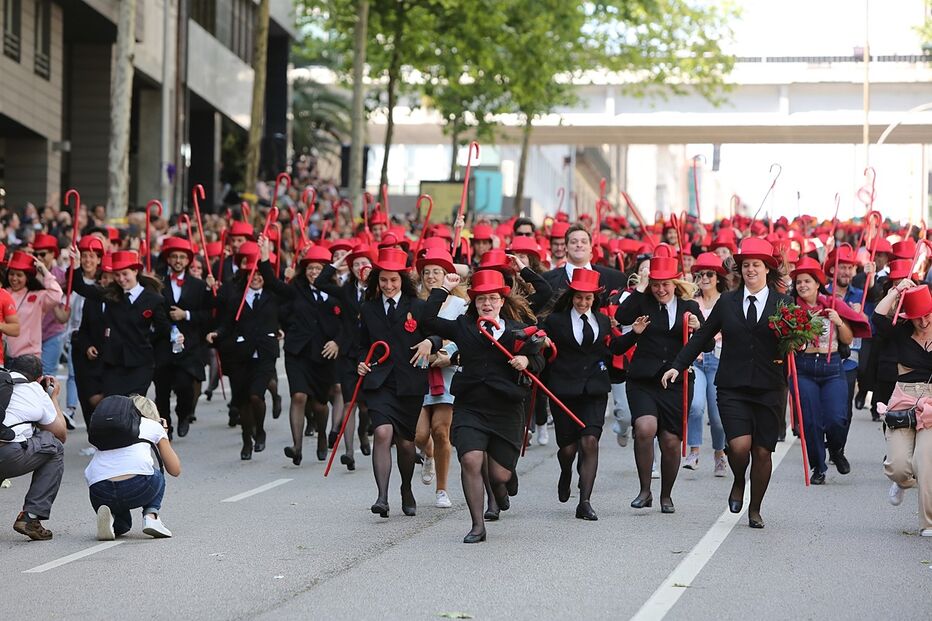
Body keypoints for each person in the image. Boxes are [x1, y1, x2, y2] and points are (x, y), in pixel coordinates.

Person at [662, 237, 792, 529]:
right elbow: (703, 336)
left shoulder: (783, 303)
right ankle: (737, 481)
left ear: (766, 270)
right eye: (746, 265)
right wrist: (678, 365)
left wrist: (795, 342)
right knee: (739, 446)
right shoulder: (728, 302)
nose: (750, 270)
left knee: (762, 451)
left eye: (756, 265)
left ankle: (755, 508)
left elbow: (792, 341)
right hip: (732, 385)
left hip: (769, 386)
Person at [423, 269, 544, 542]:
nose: (487, 304)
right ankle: (477, 525)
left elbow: (540, 359)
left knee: (499, 474)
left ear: (502, 301)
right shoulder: (463, 327)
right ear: (474, 303)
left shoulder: (516, 330)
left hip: (506, 409)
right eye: (481, 300)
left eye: (492, 299)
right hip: (471, 406)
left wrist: (526, 361)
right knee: (470, 459)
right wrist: (442, 289)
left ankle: (504, 481)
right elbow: (428, 319)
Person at [542, 268, 643, 520]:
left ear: (594, 298)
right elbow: (543, 352)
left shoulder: (601, 320)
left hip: (594, 390)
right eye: (579, 297)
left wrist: (634, 334)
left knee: (590, 442)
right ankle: (566, 472)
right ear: (571, 295)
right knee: (567, 449)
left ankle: (585, 501)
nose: (583, 302)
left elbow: (613, 348)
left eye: (588, 298)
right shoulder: (555, 321)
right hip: (563, 390)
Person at [356, 248, 440, 518]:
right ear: (376, 281)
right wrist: (360, 362)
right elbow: (359, 345)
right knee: (381, 433)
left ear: (402, 280)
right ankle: (382, 497)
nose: (389, 286)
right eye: (383, 281)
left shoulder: (418, 307)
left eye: (393, 280)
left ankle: (406, 488)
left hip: (410, 381)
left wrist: (431, 342)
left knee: (406, 443)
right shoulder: (367, 308)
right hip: (379, 381)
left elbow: (438, 334)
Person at [617, 256, 703, 514]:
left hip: (676, 381)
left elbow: (706, 345)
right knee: (645, 427)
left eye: (665, 284)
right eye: (656, 284)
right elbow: (621, 315)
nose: (661, 289)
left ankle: (666, 495)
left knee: (670, 441)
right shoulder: (643, 301)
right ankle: (645, 491)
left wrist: (698, 330)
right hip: (643, 379)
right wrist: (641, 287)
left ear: (675, 283)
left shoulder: (689, 307)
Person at [790, 256, 870, 484]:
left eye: (807, 281)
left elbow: (848, 337)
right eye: (799, 282)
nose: (802, 286)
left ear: (818, 284)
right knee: (811, 421)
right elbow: (788, 345)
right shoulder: (792, 308)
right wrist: (797, 328)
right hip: (804, 368)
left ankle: (836, 450)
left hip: (832, 366)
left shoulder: (832, 304)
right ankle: (818, 466)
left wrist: (839, 321)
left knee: (837, 418)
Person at [207, 238, 288, 460]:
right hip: (240, 354)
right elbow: (227, 323)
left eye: (260, 274)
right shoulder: (236, 296)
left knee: (255, 395)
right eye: (253, 274)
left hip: (265, 353)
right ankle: (246, 439)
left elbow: (287, 311)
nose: (257, 278)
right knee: (242, 400)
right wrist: (217, 333)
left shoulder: (274, 295)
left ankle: (259, 431)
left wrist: (281, 329)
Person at [268, 244, 343, 465]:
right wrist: (265, 258)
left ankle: (322, 435)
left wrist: (337, 342)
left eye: (318, 268)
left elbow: (346, 324)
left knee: (320, 404)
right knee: (299, 396)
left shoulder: (336, 293)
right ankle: (297, 446)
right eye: (310, 268)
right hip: (297, 351)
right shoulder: (296, 289)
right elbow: (274, 289)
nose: (313, 272)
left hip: (325, 354)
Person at [872, 282, 932, 536]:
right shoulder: (901, 332)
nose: (923, 322)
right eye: (917, 317)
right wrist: (896, 292)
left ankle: (928, 523)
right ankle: (902, 483)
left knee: (926, 462)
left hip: (931, 402)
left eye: (928, 315)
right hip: (904, 398)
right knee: (898, 467)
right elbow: (877, 318)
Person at [70, 250, 171, 397]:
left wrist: (149, 340)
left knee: (133, 405)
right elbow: (81, 288)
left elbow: (163, 329)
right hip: (113, 364)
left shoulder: (153, 299)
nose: (121, 279)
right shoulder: (111, 294)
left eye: (125, 274)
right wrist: (76, 265)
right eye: (117, 275)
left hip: (140, 363)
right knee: (114, 404)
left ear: (135, 271)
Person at [414, 248, 468, 508]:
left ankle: (442, 490)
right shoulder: (415, 303)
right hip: (419, 374)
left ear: (447, 276)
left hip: (446, 373)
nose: (431, 276)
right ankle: (428, 455)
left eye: (437, 272)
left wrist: (448, 352)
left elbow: (462, 336)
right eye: (427, 272)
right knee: (419, 435)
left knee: (440, 430)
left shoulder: (460, 305)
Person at [86, 395, 181, 540]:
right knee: (157, 474)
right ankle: (151, 516)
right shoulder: (152, 425)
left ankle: (111, 517)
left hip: (99, 489)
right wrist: (163, 434)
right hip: (137, 487)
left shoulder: (108, 429)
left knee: (124, 526)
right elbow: (174, 470)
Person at [0, 355, 67, 541]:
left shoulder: (2, 380)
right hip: (7, 455)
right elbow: (60, 434)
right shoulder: (35, 389)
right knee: (53, 446)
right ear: (39, 378)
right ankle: (30, 516)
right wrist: (53, 397)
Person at [153, 237, 213, 439]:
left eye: (182, 257)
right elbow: (154, 310)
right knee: (162, 388)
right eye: (174, 257)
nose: (178, 260)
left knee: (185, 385)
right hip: (162, 343)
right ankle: (165, 426)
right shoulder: (157, 282)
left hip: (189, 345)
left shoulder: (198, 285)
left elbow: (206, 315)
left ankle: (184, 414)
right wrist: (168, 326)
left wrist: (185, 314)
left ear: (188, 261)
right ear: (168, 259)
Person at [684, 252, 728, 476]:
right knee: (695, 405)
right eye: (700, 274)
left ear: (718, 277)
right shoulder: (691, 303)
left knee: (718, 416)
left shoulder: (727, 301)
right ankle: (694, 451)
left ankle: (719, 454)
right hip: (697, 359)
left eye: (710, 274)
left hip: (720, 361)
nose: (705, 278)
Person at [4, 251, 65, 362]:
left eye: (19, 275)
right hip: (5, 355)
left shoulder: (38, 295)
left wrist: (45, 272)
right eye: (11, 274)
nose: (14, 278)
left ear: (27, 277)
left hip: (29, 357)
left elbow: (57, 295)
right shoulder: (4, 293)